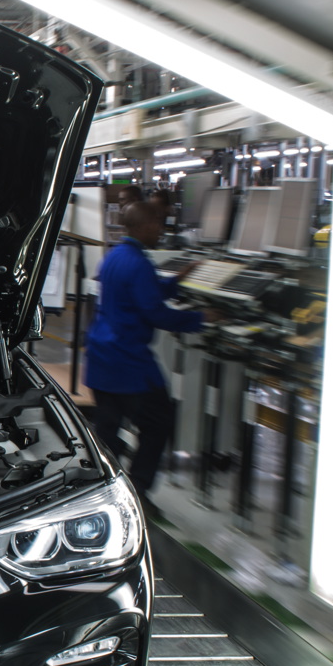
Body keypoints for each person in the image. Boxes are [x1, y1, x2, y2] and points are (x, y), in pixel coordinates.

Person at [83, 198, 214, 495]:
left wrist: (177, 280)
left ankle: (103, 487)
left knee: (107, 430)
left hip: (102, 357)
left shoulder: (116, 256)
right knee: (158, 421)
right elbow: (157, 314)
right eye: (157, 224)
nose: (161, 230)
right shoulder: (138, 263)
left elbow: (143, 293)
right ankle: (139, 488)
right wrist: (202, 318)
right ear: (145, 225)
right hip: (127, 362)